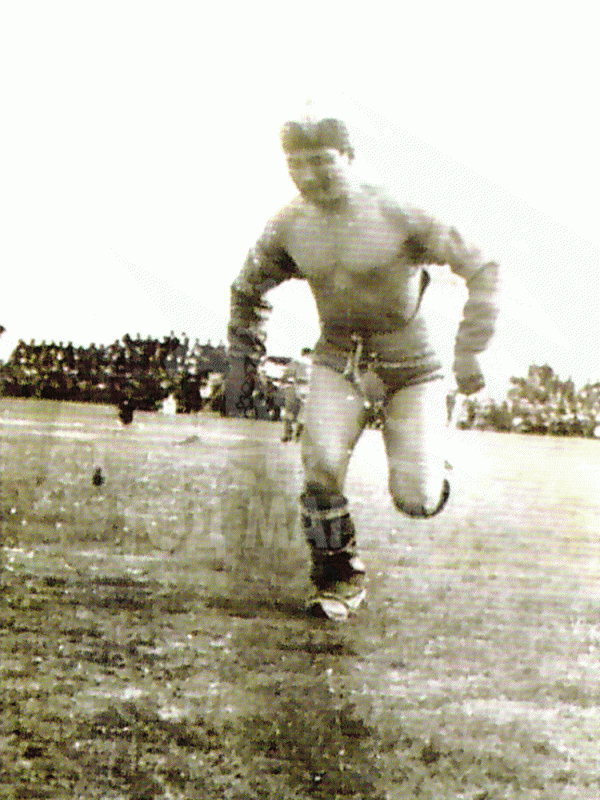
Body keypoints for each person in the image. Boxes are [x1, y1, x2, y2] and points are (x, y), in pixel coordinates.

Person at [227, 114, 500, 621]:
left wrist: (470, 350)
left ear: (349, 157)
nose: (309, 175)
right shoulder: (289, 225)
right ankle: (338, 577)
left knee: (417, 500)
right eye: (295, 165)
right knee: (320, 469)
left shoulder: (399, 211)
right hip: (338, 362)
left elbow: (483, 265)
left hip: (412, 368)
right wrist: (245, 359)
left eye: (321, 162)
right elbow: (247, 290)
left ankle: (433, 464)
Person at [281, 347, 312, 442]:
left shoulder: (297, 362)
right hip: (305, 389)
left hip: (298, 387)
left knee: (291, 411)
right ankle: (296, 433)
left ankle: (289, 433)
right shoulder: (313, 364)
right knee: (302, 412)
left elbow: (287, 375)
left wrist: (283, 381)